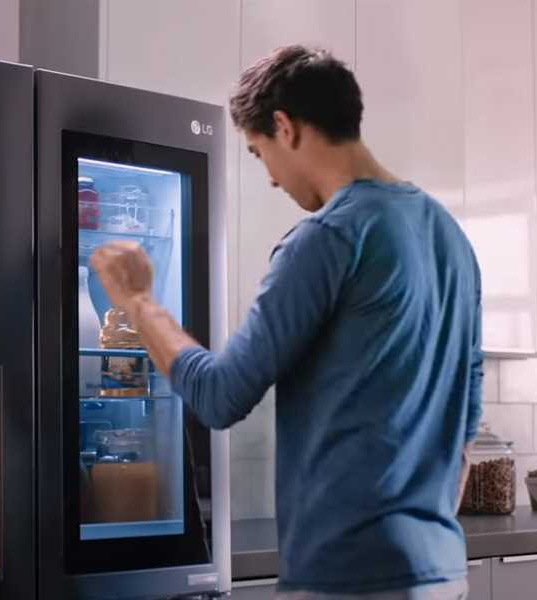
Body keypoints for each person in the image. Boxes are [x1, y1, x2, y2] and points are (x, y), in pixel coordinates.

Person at [91, 45, 482, 600]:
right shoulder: (448, 235)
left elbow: (221, 395)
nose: (272, 178)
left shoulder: (330, 237)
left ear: (284, 126)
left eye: (258, 152)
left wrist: (138, 302)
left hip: (349, 574)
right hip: (441, 571)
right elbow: (466, 425)